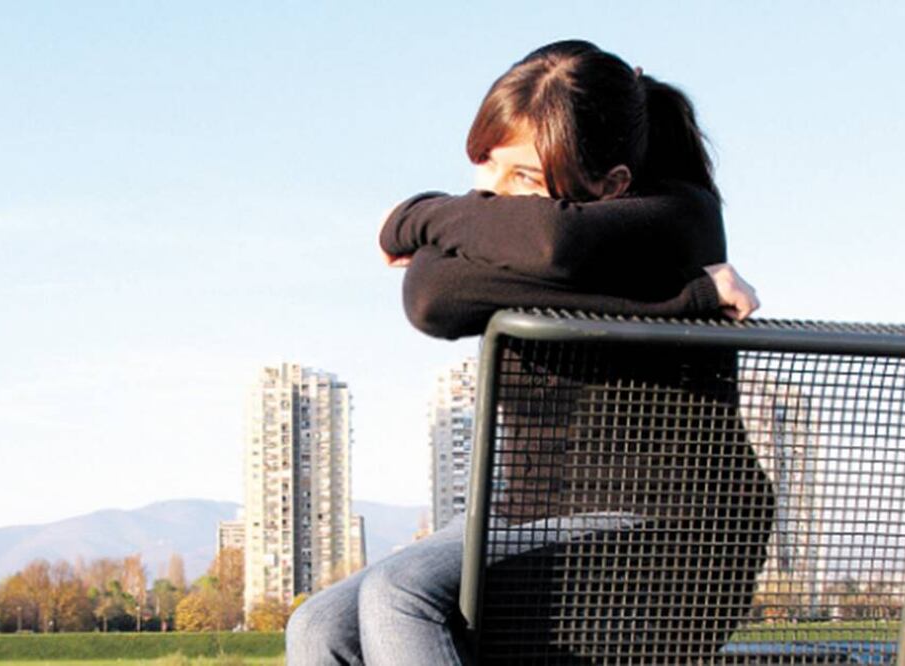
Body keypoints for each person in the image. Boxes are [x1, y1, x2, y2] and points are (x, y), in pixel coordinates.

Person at [286, 39, 765, 665]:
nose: (490, 196)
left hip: (668, 538)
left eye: (523, 178)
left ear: (610, 184)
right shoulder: (533, 235)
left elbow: (554, 244)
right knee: (318, 624)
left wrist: (412, 216)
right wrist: (684, 297)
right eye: (485, 164)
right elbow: (433, 294)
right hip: (536, 521)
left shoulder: (677, 218)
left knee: (399, 592)